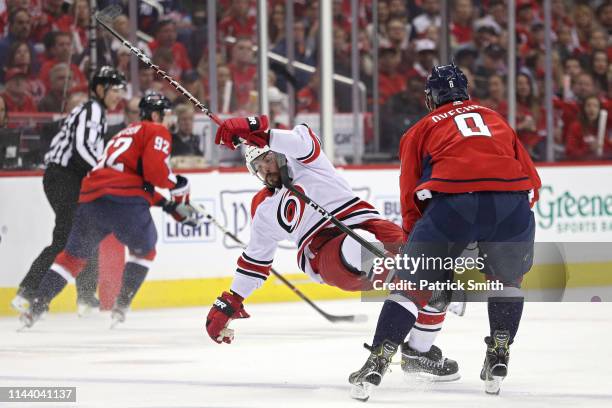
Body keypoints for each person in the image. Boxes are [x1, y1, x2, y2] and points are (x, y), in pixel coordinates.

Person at [204, 115, 460, 381]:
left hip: (367, 223)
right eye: (257, 167)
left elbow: (302, 140)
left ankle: (418, 353)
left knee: (434, 267)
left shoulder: (308, 163)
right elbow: (255, 261)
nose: (265, 169)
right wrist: (231, 301)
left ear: (281, 154)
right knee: (362, 244)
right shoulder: (265, 208)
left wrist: (258, 129)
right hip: (325, 253)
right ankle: (409, 283)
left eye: (267, 159)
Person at [348, 64, 541, 399]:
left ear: (430, 98)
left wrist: (418, 243)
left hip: (454, 204)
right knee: (508, 282)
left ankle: (378, 359)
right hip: (513, 204)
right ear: (465, 92)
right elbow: (533, 184)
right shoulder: (495, 118)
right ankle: (498, 352)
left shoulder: (420, 129)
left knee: (411, 286)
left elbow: (410, 194)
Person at [18, 92, 199, 328]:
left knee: (71, 258)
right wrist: (177, 185)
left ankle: (36, 307)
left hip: (91, 199)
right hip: (125, 202)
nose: (170, 121)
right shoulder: (156, 130)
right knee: (145, 250)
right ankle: (121, 305)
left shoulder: (122, 135)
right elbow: (155, 175)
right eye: (167, 115)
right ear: (155, 115)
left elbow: (135, 180)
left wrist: (167, 204)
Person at [11, 66, 126, 316]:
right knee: (66, 236)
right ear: (99, 89)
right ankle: (28, 292)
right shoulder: (92, 110)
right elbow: (82, 147)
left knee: (89, 231)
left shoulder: (96, 112)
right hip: (63, 177)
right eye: (114, 89)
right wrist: (104, 172)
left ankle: (85, 297)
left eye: (120, 90)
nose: (119, 95)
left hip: (69, 178)